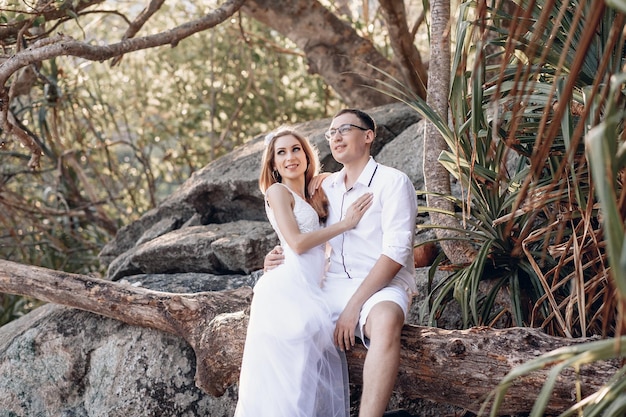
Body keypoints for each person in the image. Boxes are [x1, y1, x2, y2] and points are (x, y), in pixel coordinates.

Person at [264, 109, 418, 417]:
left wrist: (353, 308)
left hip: (381, 286)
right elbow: (297, 226)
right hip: (330, 285)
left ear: (368, 136)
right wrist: (275, 254)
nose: (335, 137)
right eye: (331, 132)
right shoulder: (323, 187)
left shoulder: (393, 182)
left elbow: (396, 253)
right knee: (290, 326)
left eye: (344, 129)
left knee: (386, 321)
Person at [234, 127, 374, 417]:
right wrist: (346, 223)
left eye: (296, 149)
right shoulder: (277, 190)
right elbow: (296, 243)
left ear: (307, 155)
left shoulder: (314, 190)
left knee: (303, 386)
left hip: (310, 287)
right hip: (286, 290)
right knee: (287, 385)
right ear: (273, 164)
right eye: (281, 153)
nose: (290, 157)